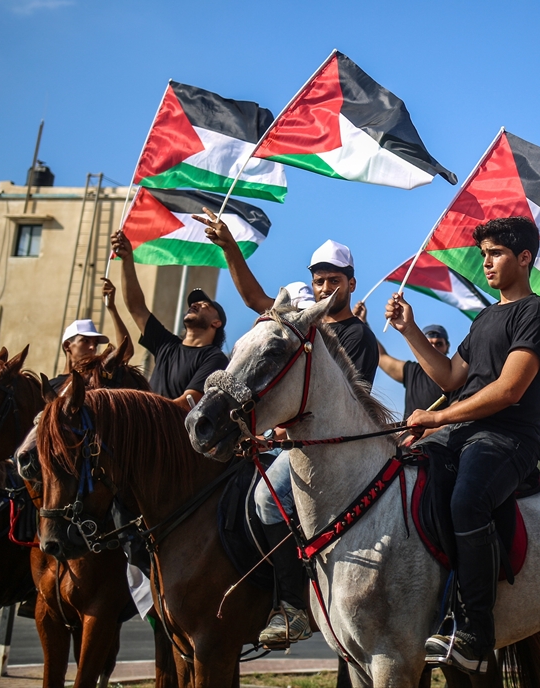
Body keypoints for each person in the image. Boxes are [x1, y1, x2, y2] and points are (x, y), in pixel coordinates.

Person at [193, 207, 379, 648]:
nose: (325, 287)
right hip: (286, 441)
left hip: (326, 450)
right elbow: (255, 298)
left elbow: (342, 409)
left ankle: (291, 606)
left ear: (351, 283)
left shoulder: (358, 336)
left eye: (334, 279)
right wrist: (230, 249)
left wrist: (277, 435)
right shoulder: (299, 329)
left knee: (266, 499)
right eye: (318, 280)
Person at [384, 216, 540, 674]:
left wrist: (438, 416)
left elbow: (509, 390)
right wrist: (409, 330)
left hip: (509, 439)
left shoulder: (535, 313)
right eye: (483, 254)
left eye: (496, 253)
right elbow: (450, 376)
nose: (486, 262)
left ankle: (476, 630)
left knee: (467, 501)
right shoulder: (484, 317)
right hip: (462, 434)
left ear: (524, 258)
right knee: (399, 477)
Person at [109, 230, 229, 407]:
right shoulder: (166, 345)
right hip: (150, 426)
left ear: (216, 323)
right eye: (194, 304)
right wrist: (127, 259)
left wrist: (145, 413)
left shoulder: (215, 358)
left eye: (205, 305)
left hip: (175, 432)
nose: (195, 305)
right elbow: (137, 308)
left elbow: (188, 403)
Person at [47, 279, 132, 394]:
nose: (93, 347)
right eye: (85, 341)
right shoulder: (50, 388)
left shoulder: (97, 378)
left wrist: (112, 308)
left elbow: (125, 353)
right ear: (68, 345)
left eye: (95, 343)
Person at [376, 323, 459, 419]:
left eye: (439, 344)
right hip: (408, 433)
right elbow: (380, 356)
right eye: (428, 344)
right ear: (421, 346)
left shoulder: (457, 377)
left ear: (447, 347)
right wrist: (363, 324)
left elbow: (455, 418)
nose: (434, 348)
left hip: (441, 434)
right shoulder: (411, 371)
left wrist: (429, 429)